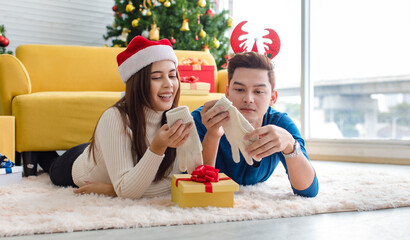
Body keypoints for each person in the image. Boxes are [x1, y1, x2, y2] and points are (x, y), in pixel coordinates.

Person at [37, 36, 194, 199]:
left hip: (105, 152)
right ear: (138, 83)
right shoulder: (115, 118)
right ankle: (38, 152)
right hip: (78, 164)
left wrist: (113, 190)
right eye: (156, 77)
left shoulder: (176, 118)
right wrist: (157, 148)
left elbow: (174, 182)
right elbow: (128, 191)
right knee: (50, 164)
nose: (169, 84)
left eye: (172, 75)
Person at [192, 51, 319, 197]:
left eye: (258, 91)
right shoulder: (203, 118)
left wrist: (290, 145)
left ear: (272, 97)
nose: (248, 99)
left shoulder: (280, 124)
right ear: (227, 93)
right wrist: (212, 135)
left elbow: (308, 190)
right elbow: (193, 185)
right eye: (239, 90)